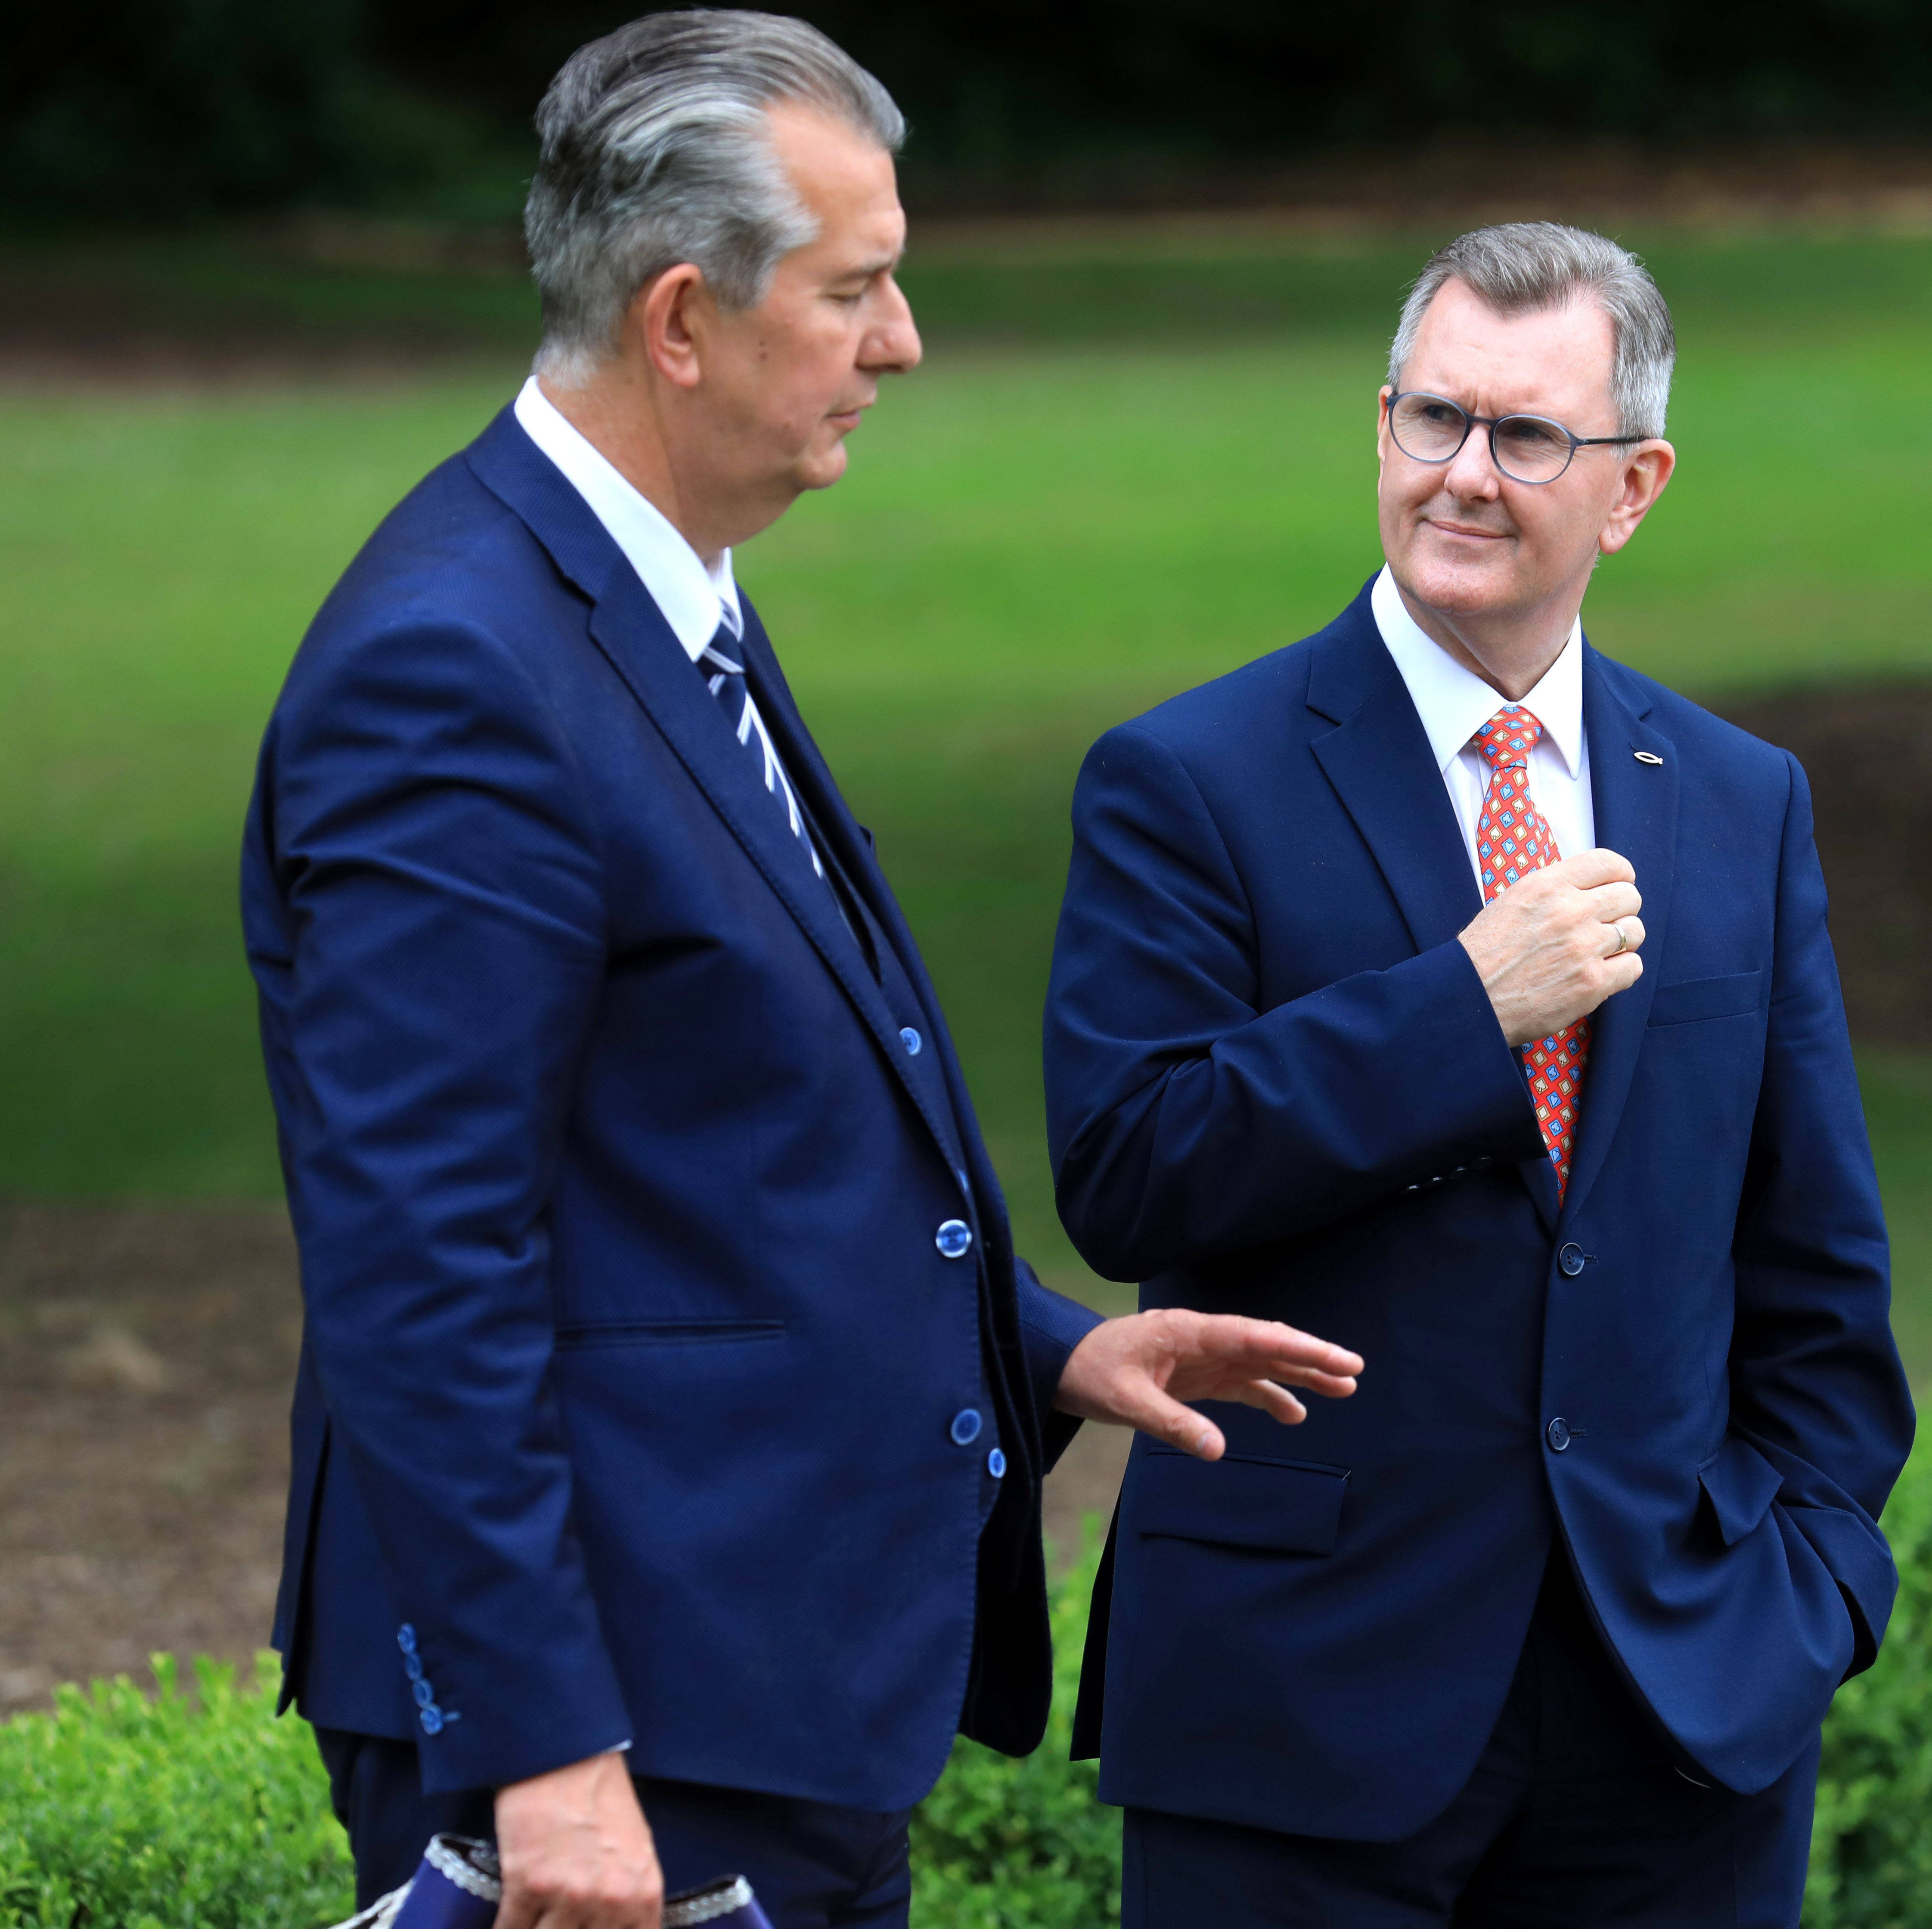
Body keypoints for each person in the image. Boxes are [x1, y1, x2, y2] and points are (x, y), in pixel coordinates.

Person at [242, 15, 1362, 1928]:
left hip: (762, 1689)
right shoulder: (456, 671)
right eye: (857, 289)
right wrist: (549, 1759)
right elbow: (421, 1262)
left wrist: (1049, 1344)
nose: (904, 340)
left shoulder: (657, 595)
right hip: (628, 1742)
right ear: (682, 320)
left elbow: (727, 1135)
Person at [1043, 222, 1916, 1926]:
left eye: (1525, 437)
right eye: (1431, 418)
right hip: (1299, 1710)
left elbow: (1815, 1261)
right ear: (1381, 425)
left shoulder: (1740, 798)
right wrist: (1466, 1008)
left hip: (1677, 1715)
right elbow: (1129, 1166)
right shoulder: (1187, 777)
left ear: (1636, 482)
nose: (1463, 473)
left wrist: (1806, 1588)